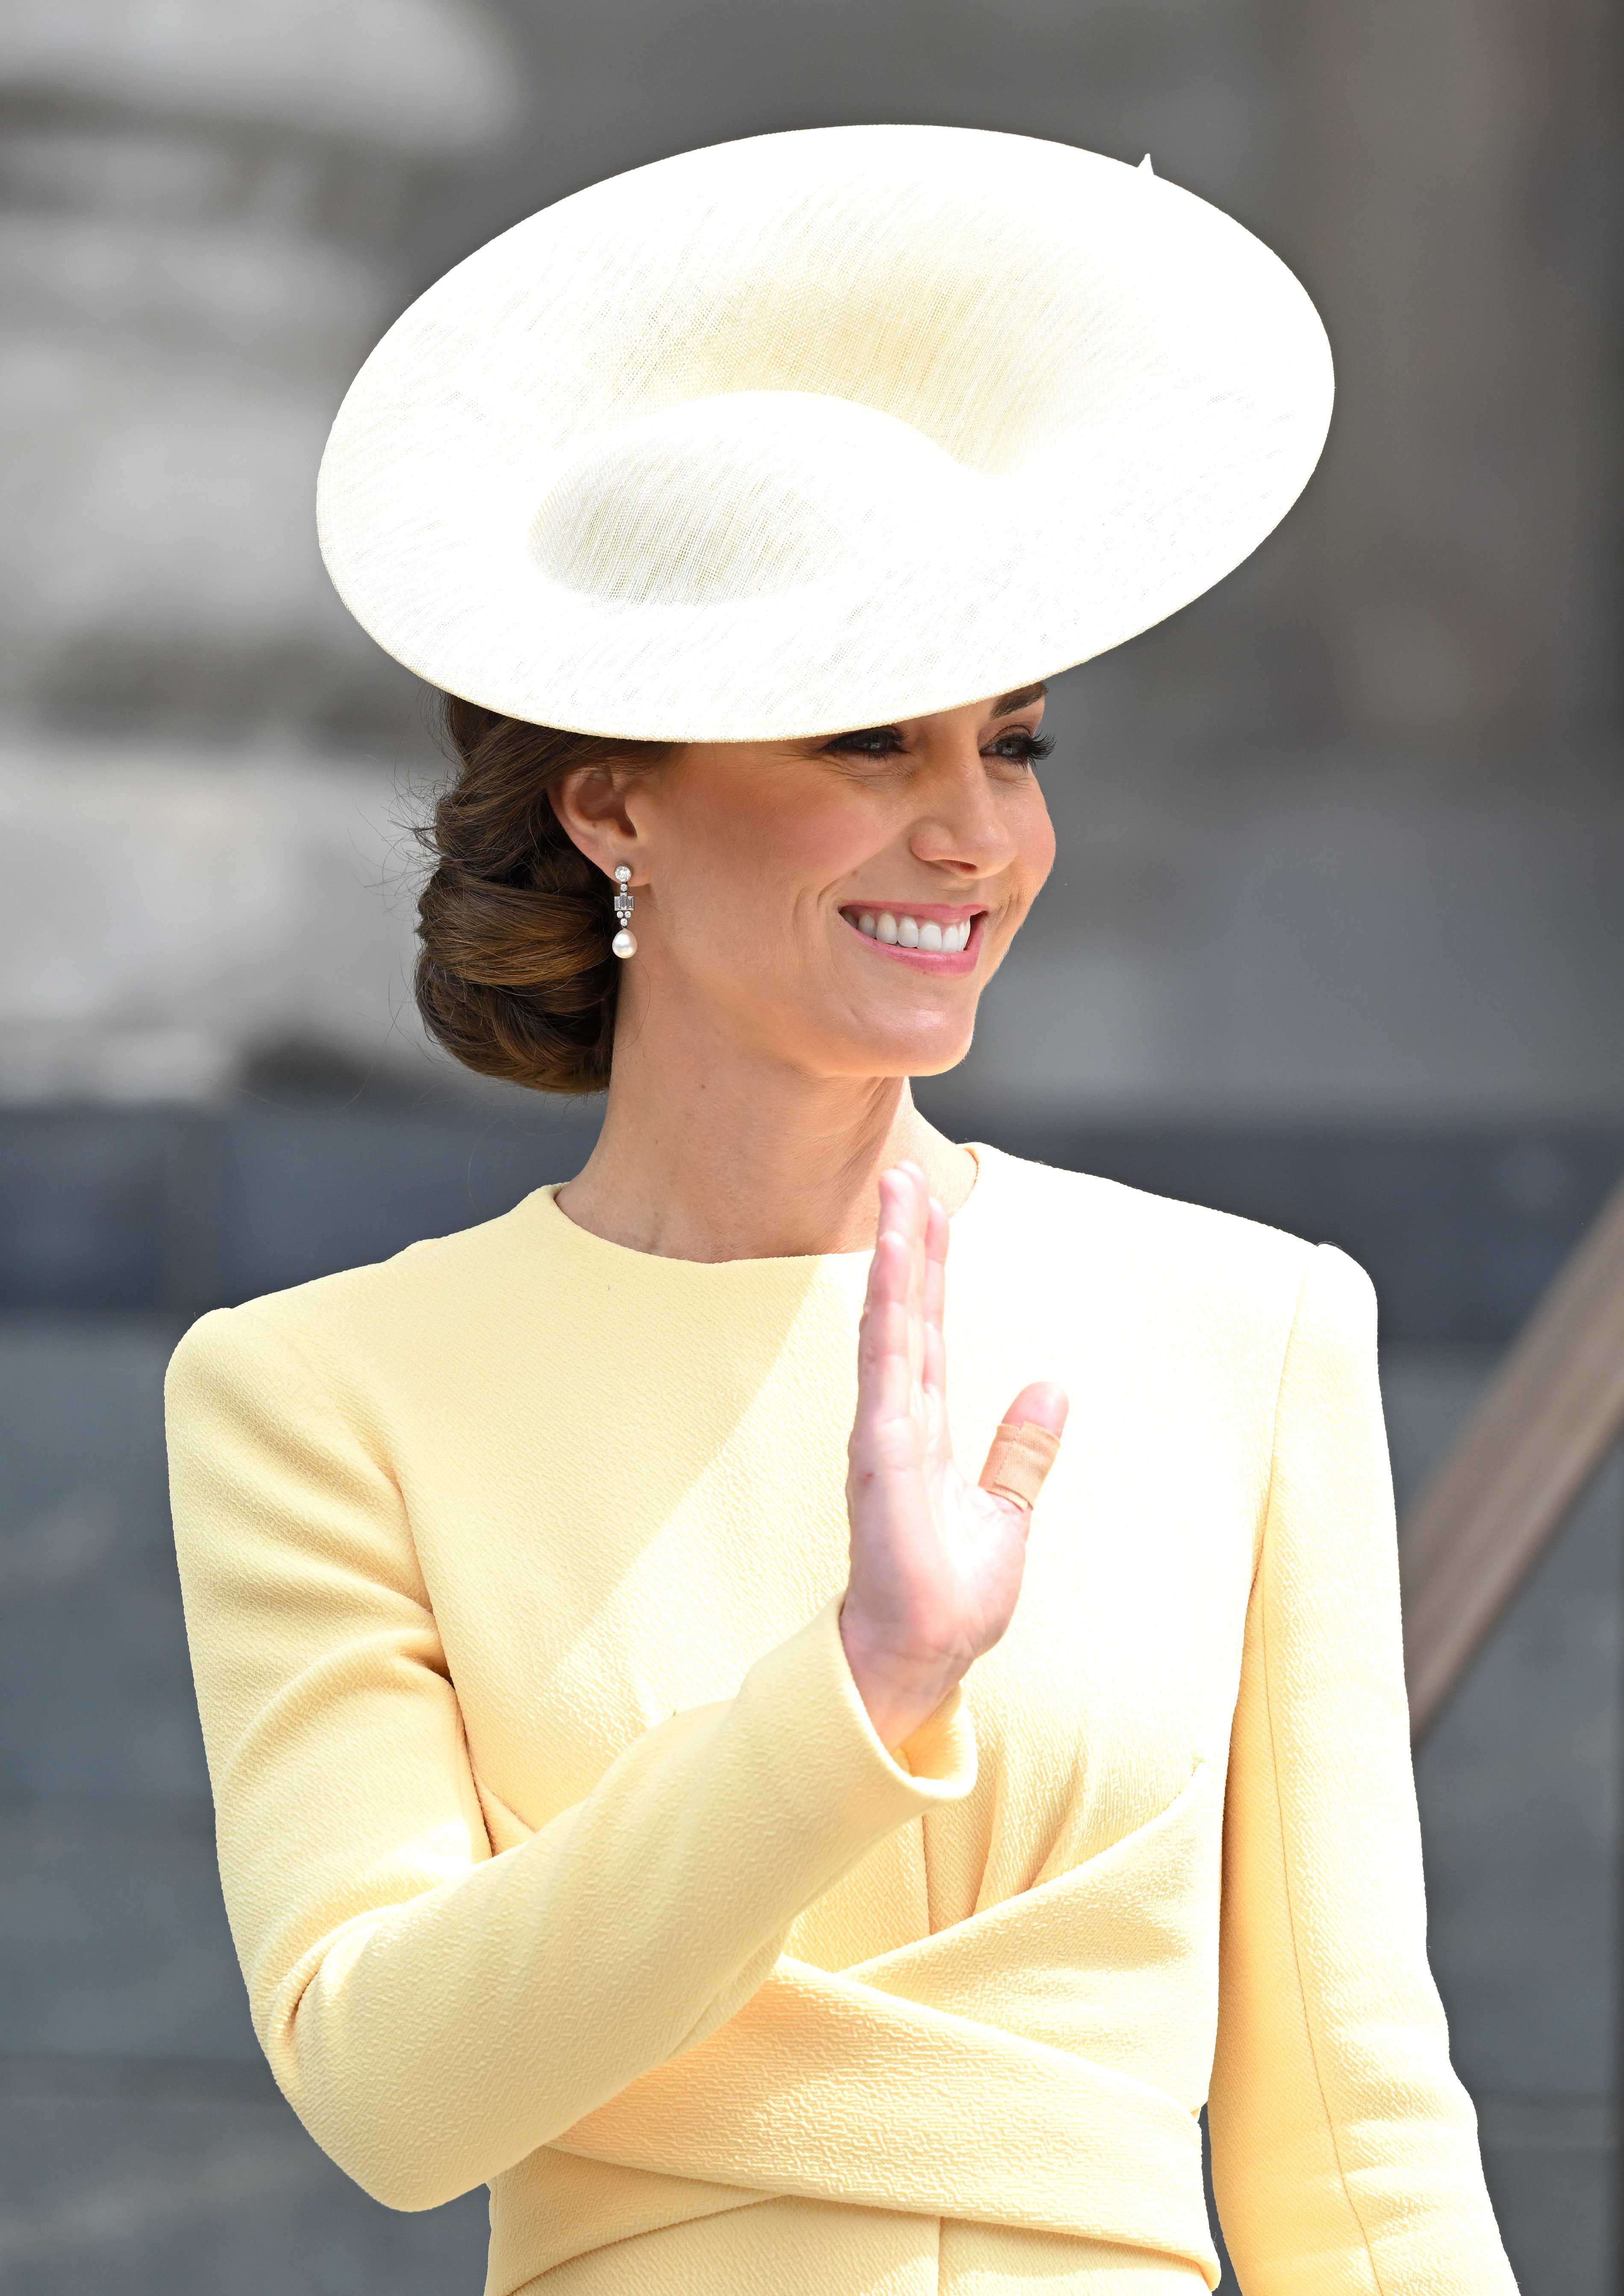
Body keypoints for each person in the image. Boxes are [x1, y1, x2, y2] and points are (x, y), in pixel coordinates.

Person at [165, 126, 1518, 2294]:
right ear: (614, 799)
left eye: (1015, 744)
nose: (970, 834)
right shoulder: (318, 1390)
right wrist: (860, 1690)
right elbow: (389, 2092)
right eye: (870, 743)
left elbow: (1353, 2128)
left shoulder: (1240, 1326)